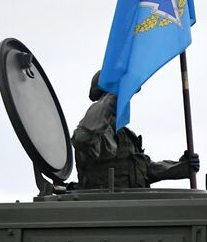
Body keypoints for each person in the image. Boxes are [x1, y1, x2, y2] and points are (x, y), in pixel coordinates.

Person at [71, 72, 199, 189]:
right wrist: (115, 95)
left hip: (132, 204)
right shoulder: (96, 132)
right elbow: (83, 138)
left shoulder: (126, 136)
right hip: (106, 204)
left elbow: (145, 169)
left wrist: (181, 167)